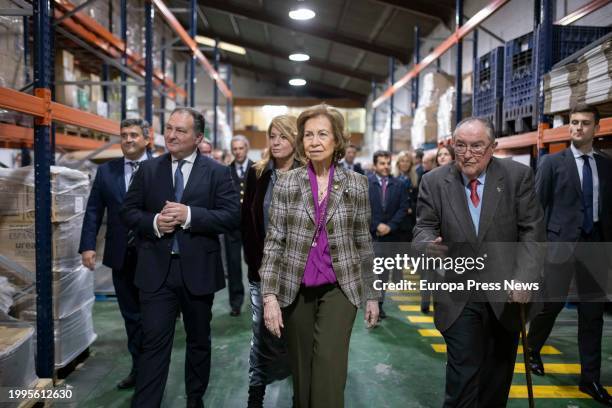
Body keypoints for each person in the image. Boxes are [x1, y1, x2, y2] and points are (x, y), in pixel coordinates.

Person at [413, 117, 545, 407]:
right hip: (458, 295)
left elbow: (532, 232)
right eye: (460, 145)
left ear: (493, 147)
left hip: (507, 295)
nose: (467, 153)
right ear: (451, 144)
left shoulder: (516, 177)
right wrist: (425, 245)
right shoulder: (434, 182)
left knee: (496, 382)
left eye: (477, 146)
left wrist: (525, 278)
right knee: (462, 380)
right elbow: (424, 226)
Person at [260, 104, 379, 408]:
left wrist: (372, 294)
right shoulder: (287, 183)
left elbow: (363, 241)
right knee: (302, 373)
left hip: (341, 286)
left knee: (328, 365)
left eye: (322, 134)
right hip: (295, 287)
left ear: (337, 140)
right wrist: (270, 296)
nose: (313, 141)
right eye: (308, 135)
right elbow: (274, 242)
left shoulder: (356, 184)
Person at [121, 107, 240, 408]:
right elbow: (128, 212)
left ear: (198, 137)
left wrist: (190, 215)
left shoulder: (216, 172)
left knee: (198, 341)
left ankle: (194, 399)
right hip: (156, 272)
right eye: (169, 128)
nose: (171, 135)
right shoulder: (149, 170)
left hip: (197, 272)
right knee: (154, 343)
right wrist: (153, 224)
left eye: (181, 130)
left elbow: (230, 217)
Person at [526, 104, 612, 406]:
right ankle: (532, 348)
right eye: (574, 122)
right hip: (559, 246)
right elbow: (537, 208)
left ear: (596, 128)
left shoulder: (606, 165)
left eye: (585, 123)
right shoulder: (552, 163)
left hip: (596, 248)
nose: (578, 128)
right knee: (549, 306)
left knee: (592, 317)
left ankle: (590, 380)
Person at [79, 118, 151, 390]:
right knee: (131, 316)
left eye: (134, 134)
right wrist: (87, 245)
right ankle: (139, 368)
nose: (128, 139)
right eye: (124, 135)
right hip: (121, 254)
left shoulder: (161, 167)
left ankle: (152, 371)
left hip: (153, 254)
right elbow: (94, 210)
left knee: (153, 316)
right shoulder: (106, 172)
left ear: (147, 139)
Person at [241, 115, 302, 407]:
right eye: (272, 136)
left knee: (297, 339)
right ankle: (256, 394)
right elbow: (247, 222)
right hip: (262, 272)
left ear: (295, 140)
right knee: (261, 336)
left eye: (284, 136)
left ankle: (301, 394)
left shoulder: (309, 175)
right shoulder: (257, 173)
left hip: (300, 275)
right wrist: (254, 265)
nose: (276, 142)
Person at [368, 150, 410, 319]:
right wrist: (376, 225)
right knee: (372, 271)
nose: (385, 167)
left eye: (387, 163)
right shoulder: (366, 183)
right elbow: (362, 208)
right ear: (374, 165)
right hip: (371, 235)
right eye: (382, 163)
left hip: (390, 236)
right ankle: (370, 302)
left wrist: (390, 226)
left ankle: (379, 303)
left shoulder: (398, 184)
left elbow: (402, 208)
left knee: (384, 272)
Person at [224, 135, 252, 316]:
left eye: (241, 148)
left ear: (246, 149)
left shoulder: (257, 169)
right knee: (233, 265)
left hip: (252, 227)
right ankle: (236, 302)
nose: (238, 152)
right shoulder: (226, 171)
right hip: (232, 227)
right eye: (235, 149)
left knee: (255, 264)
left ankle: (258, 298)